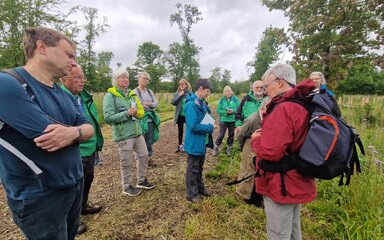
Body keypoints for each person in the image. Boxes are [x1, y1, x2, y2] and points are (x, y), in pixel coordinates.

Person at [0, 26, 94, 240]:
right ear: (42, 47)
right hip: (39, 195)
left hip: (73, 184)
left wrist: (73, 132)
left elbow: (88, 129)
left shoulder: (64, 94)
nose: (73, 62)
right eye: (69, 54)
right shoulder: (8, 83)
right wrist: (77, 131)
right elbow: (47, 135)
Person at [251, 63, 317, 240]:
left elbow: (270, 152)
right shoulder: (299, 103)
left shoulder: (284, 108)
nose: (265, 90)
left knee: (279, 234)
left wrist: (256, 140)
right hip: (296, 178)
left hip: (281, 184)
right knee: (293, 230)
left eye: (266, 85)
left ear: (280, 82)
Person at [61, 65, 104, 235]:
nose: (82, 81)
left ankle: (83, 206)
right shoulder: (60, 97)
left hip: (90, 147)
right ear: (64, 80)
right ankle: (71, 221)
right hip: (76, 150)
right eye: (78, 77)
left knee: (87, 180)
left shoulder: (83, 96)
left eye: (83, 77)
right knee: (73, 187)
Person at [103, 68, 155, 197]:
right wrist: (126, 113)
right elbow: (108, 117)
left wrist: (137, 113)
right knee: (126, 162)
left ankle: (141, 180)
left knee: (144, 155)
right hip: (123, 135)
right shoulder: (110, 96)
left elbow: (141, 111)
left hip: (137, 131)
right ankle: (126, 186)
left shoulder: (132, 94)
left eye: (126, 77)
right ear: (115, 80)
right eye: (122, 77)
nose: (125, 80)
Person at [184, 78, 214, 203]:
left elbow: (206, 117)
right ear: (201, 89)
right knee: (193, 168)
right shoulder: (191, 105)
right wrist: (210, 127)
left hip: (202, 142)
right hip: (194, 143)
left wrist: (210, 119)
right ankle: (191, 193)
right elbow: (193, 125)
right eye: (207, 91)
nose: (208, 94)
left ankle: (200, 188)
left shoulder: (201, 103)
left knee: (200, 167)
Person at [235, 97, 269, 206]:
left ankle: (258, 195)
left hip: (260, 145)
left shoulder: (267, 117)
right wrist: (242, 149)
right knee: (249, 170)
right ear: (263, 108)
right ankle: (247, 196)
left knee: (258, 170)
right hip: (249, 146)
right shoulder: (252, 120)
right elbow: (240, 135)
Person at [134, 72, 160, 167]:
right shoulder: (135, 91)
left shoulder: (149, 91)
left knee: (149, 139)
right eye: (143, 78)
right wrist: (150, 104)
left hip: (150, 118)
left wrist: (148, 104)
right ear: (139, 79)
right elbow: (139, 104)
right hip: (140, 119)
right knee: (140, 140)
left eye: (147, 79)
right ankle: (139, 160)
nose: (145, 80)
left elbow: (156, 104)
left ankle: (148, 158)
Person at [213, 86, 240, 156]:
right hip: (224, 120)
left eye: (229, 91)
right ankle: (216, 148)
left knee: (231, 135)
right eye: (226, 91)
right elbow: (218, 110)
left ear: (231, 92)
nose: (228, 93)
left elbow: (239, 108)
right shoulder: (222, 100)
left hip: (232, 120)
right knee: (221, 134)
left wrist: (233, 111)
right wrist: (226, 112)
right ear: (224, 93)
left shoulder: (235, 99)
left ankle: (229, 148)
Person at [171, 79, 193, 153]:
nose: (182, 85)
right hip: (180, 115)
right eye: (181, 84)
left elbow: (193, 102)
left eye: (183, 84)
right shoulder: (177, 93)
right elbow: (173, 102)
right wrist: (179, 96)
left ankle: (188, 146)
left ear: (186, 85)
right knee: (180, 131)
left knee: (189, 130)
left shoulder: (189, 93)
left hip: (188, 115)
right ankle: (180, 145)